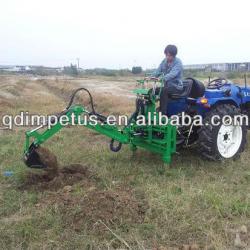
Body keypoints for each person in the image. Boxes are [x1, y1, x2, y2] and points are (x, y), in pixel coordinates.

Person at [151, 44, 183, 115]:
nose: (167, 57)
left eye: (170, 55)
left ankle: (163, 113)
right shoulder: (164, 61)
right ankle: (147, 113)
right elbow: (158, 71)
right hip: (167, 86)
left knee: (163, 91)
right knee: (151, 91)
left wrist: (161, 78)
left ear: (174, 55)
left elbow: (172, 74)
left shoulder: (178, 62)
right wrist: (151, 76)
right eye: (166, 55)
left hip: (176, 86)